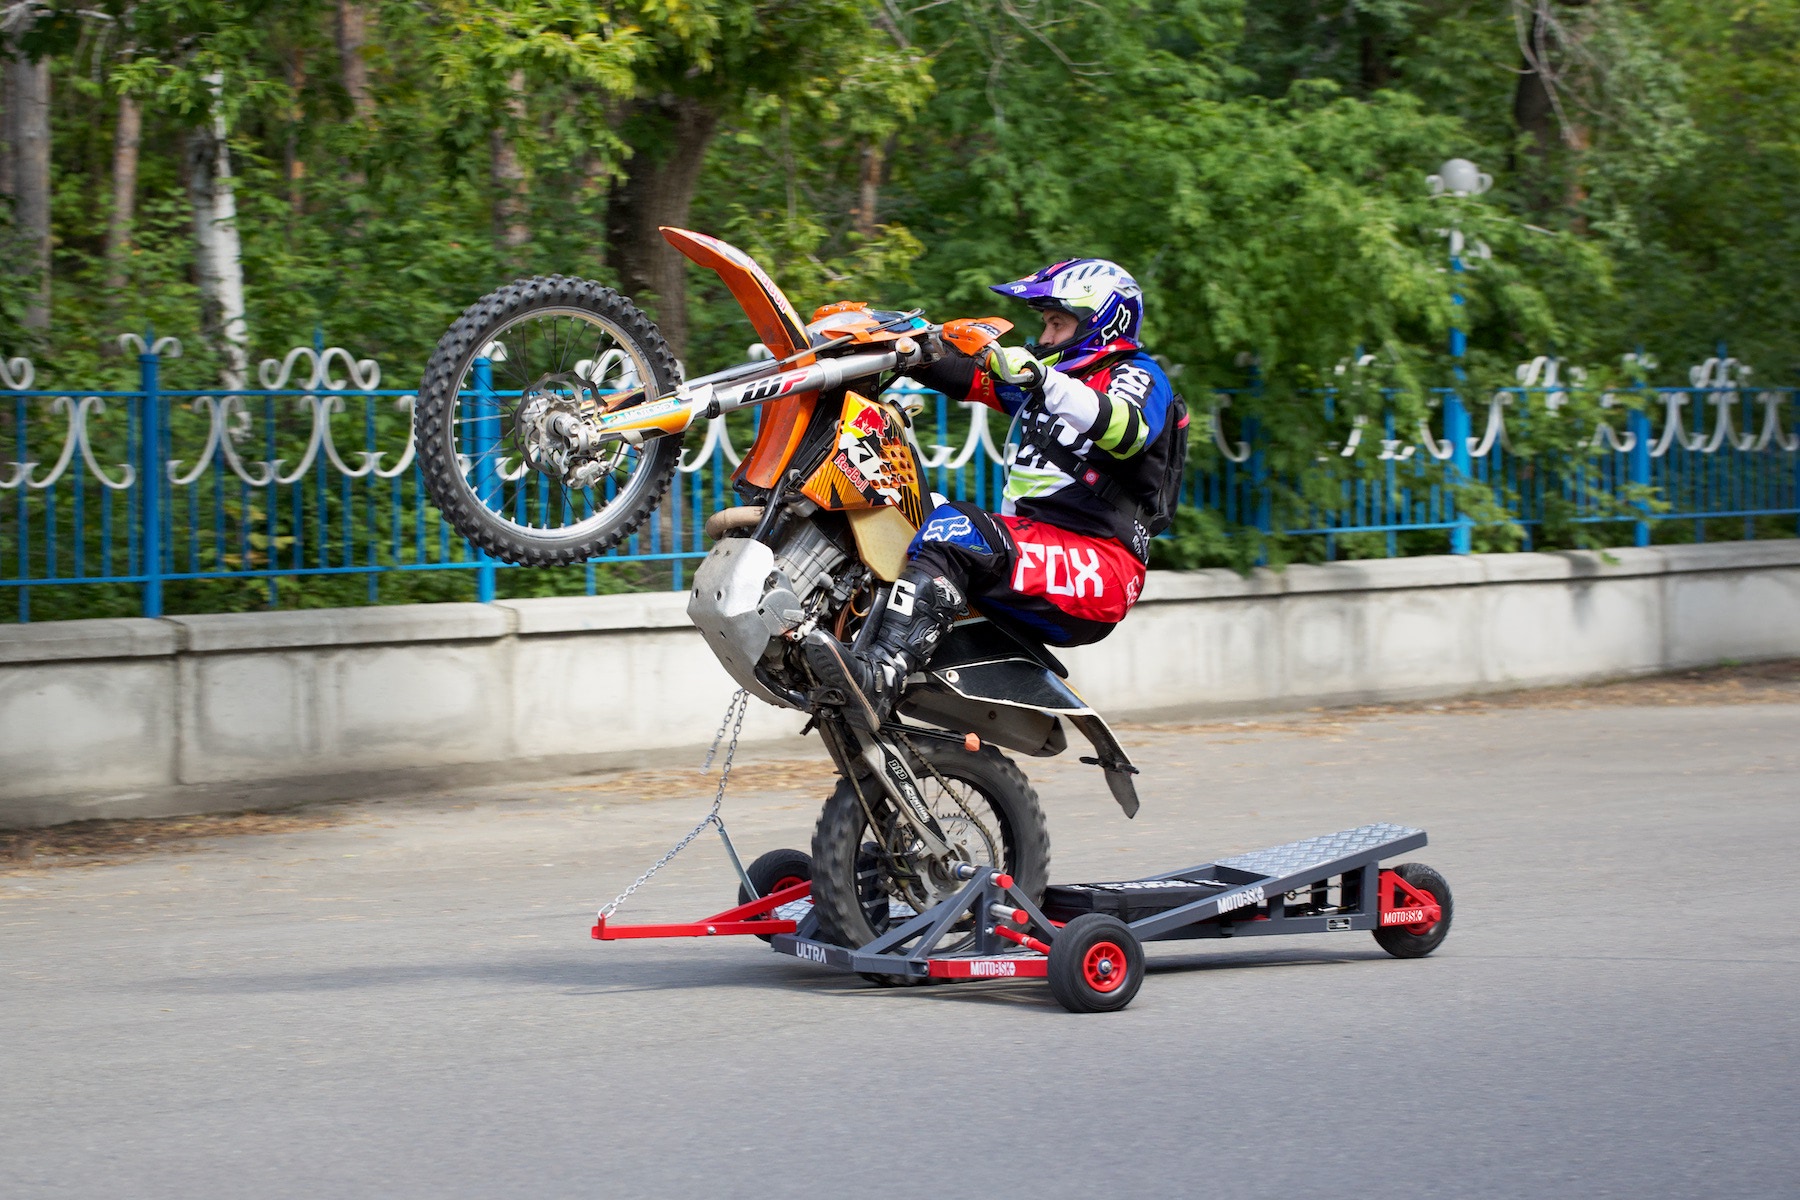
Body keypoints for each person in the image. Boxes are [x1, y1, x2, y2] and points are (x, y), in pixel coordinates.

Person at [806, 257, 1177, 730]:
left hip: (1101, 566)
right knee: (898, 511)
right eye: (1045, 324)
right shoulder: (1054, 384)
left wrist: (1042, 379)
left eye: (1057, 324)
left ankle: (880, 676)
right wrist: (887, 333)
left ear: (1101, 323)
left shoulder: (1136, 375)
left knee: (957, 529)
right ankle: (838, 640)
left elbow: (1128, 429)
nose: (1043, 338)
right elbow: (963, 374)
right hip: (1038, 547)